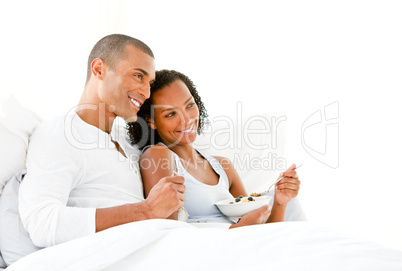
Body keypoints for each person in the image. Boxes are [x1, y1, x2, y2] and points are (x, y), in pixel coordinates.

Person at [19, 34, 186, 247]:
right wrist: (146, 211)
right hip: (111, 254)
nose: (145, 92)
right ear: (99, 69)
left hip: (154, 243)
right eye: (138, 76)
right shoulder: (61, 132)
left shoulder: (127, 140)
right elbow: (42, 223)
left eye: (149, 83)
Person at [127, 69, 301, 228]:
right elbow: (168, 232)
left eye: (189, 105)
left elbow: (259, 230)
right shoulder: (158, 155)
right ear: (151, 121)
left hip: (245, 245)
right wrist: (240, 229)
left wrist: (280, 201)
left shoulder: (222, 166)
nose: (186, 119)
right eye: (171, 114)